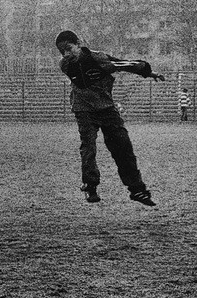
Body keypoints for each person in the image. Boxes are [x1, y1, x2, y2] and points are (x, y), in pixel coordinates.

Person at [54, 29, 163, 206]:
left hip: (106, 108)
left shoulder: (98, 59)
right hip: (84, 110)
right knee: (88, 146)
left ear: (79, 43)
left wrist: (148, 72)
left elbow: (124, 64)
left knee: (123, 146)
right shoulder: (65, 65)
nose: (66, 54)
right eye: (62, 51)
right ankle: (90, 185)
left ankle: (137, 190)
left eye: (68, 48)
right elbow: (82, 80)